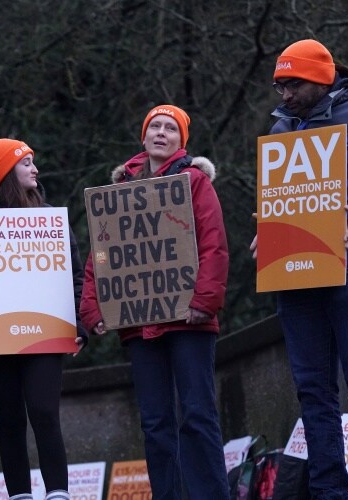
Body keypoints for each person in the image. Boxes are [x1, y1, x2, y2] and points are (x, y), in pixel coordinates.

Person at [80, 104, 230, 499]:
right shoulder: (117, 193)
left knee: (197, 415)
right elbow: (101, 252)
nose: (161, 133)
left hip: (189, 320)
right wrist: (93, 309)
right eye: (155, 127)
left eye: (170, 128)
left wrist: (204, 300)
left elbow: (214, 244)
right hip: (137, 324)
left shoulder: (195, 182)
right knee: (154, 423)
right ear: (143, 137)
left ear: (182, 141)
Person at [250, 39, 348, 499]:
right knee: (313, 393)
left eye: (293, 83)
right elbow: (282, 202)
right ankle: (328, 491)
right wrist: (269, 227)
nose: (284, 94)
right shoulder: (280, 131)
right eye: (279, 85)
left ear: (321, 77)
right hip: (296, 278)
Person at [0, 138, 88, 500]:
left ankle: (58, 493)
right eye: (27, 163)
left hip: (44, 333)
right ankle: (19, 496)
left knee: (45, 412)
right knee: (9, 420)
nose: (35, 169)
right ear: (6, 172)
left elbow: (75, 279)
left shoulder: (51, 223)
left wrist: (78, 324)